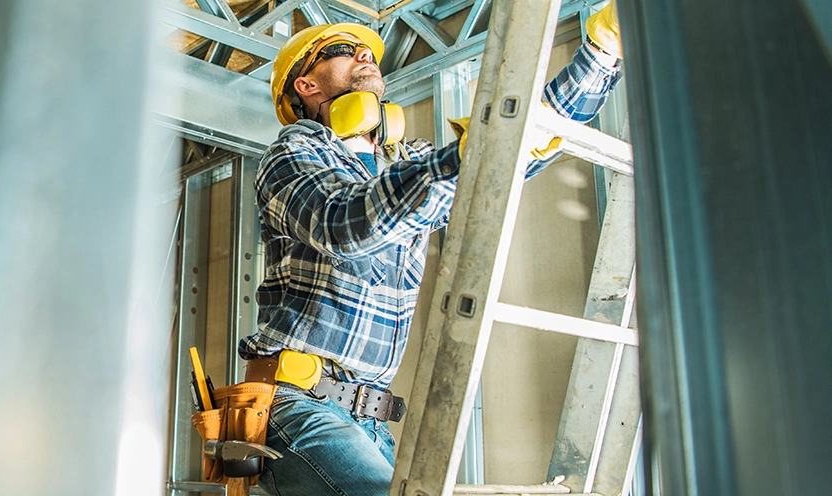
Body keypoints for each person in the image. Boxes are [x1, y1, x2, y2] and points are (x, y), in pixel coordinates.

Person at [237, 3, 624, 495]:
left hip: (370, 417)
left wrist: (602, 51)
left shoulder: (407, 164)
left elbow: (508, 155)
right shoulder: (292, 152)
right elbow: (346, 225)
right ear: (306, 86)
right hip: (295, 402)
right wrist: (463, 158)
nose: (364, 53)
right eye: (341, 51)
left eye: (368, 50)